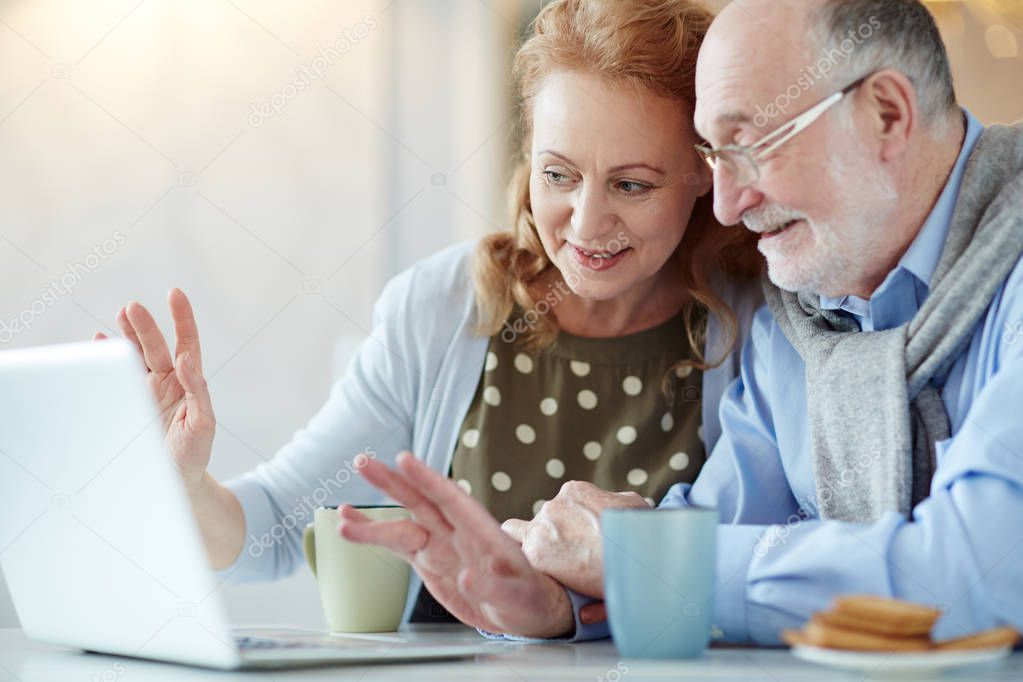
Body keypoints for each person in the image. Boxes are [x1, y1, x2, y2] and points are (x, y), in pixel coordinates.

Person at [340, 0, 1023, 644]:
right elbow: (708, 532)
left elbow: (972, 575)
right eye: (713, 158)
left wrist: (637, 559)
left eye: (750, 145)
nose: (725, 206)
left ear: (884, 114)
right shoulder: (797, 319)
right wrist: (564, 604)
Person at [96, 0, 761, 638]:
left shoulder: (760, 321)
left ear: (705, 169)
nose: (586, 224)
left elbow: (752, 575)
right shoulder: (442, 308)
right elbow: (271, 532)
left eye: (631, 184)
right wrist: (184, 483)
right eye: (558, 175)